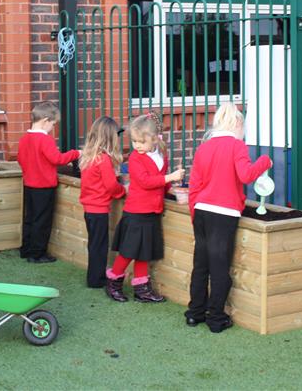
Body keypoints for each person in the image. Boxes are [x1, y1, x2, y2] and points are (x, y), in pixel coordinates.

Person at [185, 102, 272, 333]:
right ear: (237, 124)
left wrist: (194, 213)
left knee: (200, 266)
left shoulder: (204, 147)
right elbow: (245, 176)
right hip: (224, 214)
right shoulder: (236, 146)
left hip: (202, 211)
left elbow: (195, 185)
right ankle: (216, 318)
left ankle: (194, 313)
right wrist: (265, 161)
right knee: (220, 268)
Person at [105, 112, 184, 303]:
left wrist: (172, 189)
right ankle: (113, 283)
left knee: (144, 252)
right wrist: (169, 177)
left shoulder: (161, 156)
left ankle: (142, 289)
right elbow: (145, 181)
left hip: (152, 211)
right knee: (128, 251)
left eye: (142, 141)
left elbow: (160, 183)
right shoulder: (134, 158)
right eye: (134, 141)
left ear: (155, 138)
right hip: (136, 212)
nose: (137, 145)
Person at [17, 101, 80, 263]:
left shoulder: (25, 139)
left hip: (29, 185)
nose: (53, 127)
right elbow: (57, 159)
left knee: (30, 218)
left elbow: (21, 160)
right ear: (45, 121)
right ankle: (37, 254)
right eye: (53, 124)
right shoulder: (45, 140)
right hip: (44, 187)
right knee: (42, 221)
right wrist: (75, 153)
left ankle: (26, 249)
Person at [78, 116, 125, 288]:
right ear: (110, 137)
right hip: (99, 210)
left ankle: (94, 276)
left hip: (89, 209)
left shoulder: (89, 157)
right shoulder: (104, 159)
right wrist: (123, 190)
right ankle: (96, 280)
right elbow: (111, 186)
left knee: (94, 244)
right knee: (99, 245)